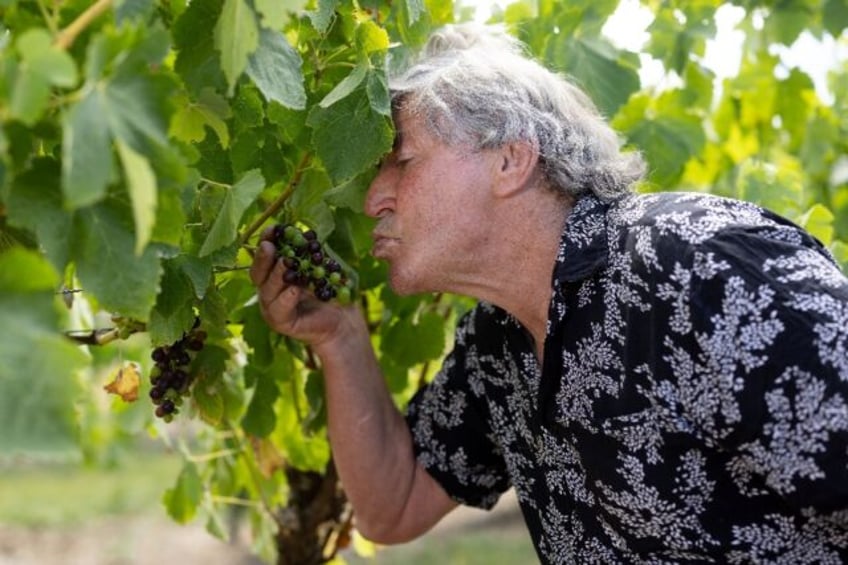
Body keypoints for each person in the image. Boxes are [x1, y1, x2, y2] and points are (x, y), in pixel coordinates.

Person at [250, 22, 848, 564]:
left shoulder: (699, 266)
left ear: (511, 160)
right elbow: (394, 504)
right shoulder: (498, 342)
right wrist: (341, 337)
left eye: (403, 161)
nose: (373, 198)